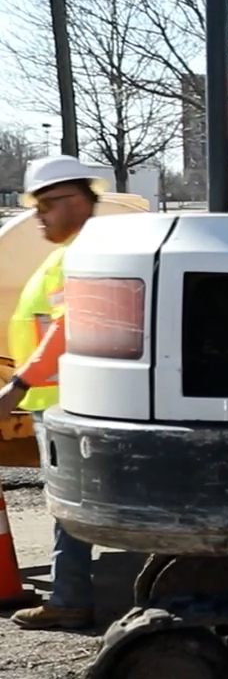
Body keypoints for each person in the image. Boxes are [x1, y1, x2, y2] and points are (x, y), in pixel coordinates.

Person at [1, 155, 113, 630]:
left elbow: (67, 328)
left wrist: (18, 385)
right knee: (73, 502)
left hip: (66, 399)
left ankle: (69, 598)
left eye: (47, 204)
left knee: (70, 503)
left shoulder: (82, 254)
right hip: (60, 398)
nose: (39, 215)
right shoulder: (73, 251)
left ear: (80, 200)